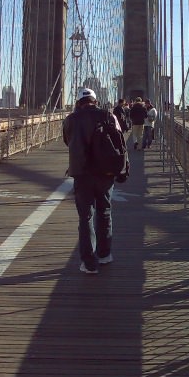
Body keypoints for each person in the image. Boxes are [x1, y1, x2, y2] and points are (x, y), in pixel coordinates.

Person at [63, 88, 124, 274]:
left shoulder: (70, 119)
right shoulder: (108, 115)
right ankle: (104, 255)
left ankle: (89, 263)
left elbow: (68, 141)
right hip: (105, 173)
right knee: (104, 211)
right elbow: (120, 139)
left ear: (78, 102)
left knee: (85, 217)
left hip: (82, 173)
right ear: (95, 101)